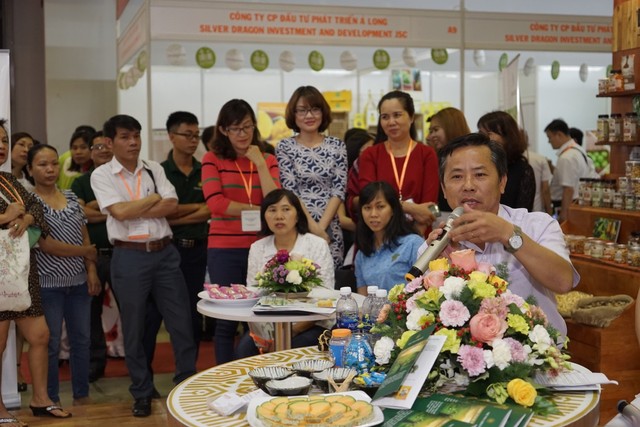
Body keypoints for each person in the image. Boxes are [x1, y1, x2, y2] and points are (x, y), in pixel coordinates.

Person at [90, 114, 197, 417]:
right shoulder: (102, 175)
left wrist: (137, 206)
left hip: (165, 253)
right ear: (110, 142)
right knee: (134, 328)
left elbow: (171, 204)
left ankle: (186, 384)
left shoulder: (154, 168)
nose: (133, 142)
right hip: (129, 256)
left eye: (136, 135)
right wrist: (151, 200)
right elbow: (119, 213)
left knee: (181, 323)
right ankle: (141, 391)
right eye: (125, 136)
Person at [427, 132, 578, 335]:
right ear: (444, 190)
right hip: (468, 361)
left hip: (540, 358)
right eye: (456, 177)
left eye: (480, 174)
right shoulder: (437, 244)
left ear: (502, 182)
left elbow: (563, 281)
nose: (468, 185)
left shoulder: (537, 225)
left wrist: (507, 233)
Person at [0, 120, 72, 424]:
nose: (2, 146)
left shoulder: (8, 180)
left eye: (4, 140)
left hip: (22, 272)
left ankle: (41, 399)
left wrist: (27, 216)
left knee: (40, 335)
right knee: (0, 344)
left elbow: (38, 210)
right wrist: (5, 215)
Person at [202, 99, 279, 364]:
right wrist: (260, 210)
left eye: (247, 127)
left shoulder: (267, 158)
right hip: (225, 248)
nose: (243, 134)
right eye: (235, 129)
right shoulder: (212, 159)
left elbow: (275, 200)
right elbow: (216, 203)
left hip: (263, 246)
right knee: (226, 320)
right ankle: (224, 374)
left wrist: (258, 163)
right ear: (223, 130)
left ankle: (257, 374)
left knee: (259, 317)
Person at [28, 144, 101, 408]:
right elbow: (47, 245)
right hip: (48, 285)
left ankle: (82, 395)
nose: (50, 169)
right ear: (30, 169)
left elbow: (84, 234)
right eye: (42, 164)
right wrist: (87, 252)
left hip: (79, 282)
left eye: (53, 164)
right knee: (49, 344)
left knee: (82, 341)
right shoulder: (30, 203)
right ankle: (51, 398)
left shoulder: (71, 197)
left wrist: (90, 269)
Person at [144, 111, 210, 368]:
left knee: (192, 316)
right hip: (166, 251)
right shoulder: (158, 172)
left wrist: (174, 212)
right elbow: (161, 215)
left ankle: (187, 373)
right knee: (152, 316)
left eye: (197, 135)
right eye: (187, 135)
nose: (193, 140)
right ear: (171, 136)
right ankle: (146, 380)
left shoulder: (204, 170)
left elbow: (210, 209)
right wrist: (192, 211)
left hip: (197, 252)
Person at [236, 189, 334, 357]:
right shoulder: (257, 248)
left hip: (312, 324)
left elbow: (325, 295)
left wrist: (291, 331)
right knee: (244, 349)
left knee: (286, 350)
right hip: (268, 327)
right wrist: (266, 336)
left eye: (286, 209)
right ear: (264, 216)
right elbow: (253, 295)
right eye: (272, 210)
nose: (279, 216)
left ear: (297, 215)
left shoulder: (317, 245)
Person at [276, 85, 348, 268]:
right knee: (295, 279)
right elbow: (290, 191)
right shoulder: (284, 147)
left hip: (330, 228)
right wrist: (313, 229)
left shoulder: (337, 145)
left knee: (328, 284)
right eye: (302, 110)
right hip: (296, 225)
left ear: (323, 112)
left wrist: (321, 229)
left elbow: (338, 190)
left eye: (315, 109)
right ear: (293, 114)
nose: (309, 116)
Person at [358, 91, 439, 235]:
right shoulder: (370, 155)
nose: (391, 122)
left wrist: (413, 240)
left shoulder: (427, 154)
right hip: (379, 236)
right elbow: (369, 199)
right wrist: (412, 208)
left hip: (419, 237)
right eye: (385, 117)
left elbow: (430, 208)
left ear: (412, 117)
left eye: (397, 115)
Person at [70, 131, 114, 383]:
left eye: (106, 145)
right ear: (90, 151)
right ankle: (95, 363)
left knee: (133, 313)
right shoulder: (80, 182)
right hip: (93, 256)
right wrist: (114, 209)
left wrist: (94, 206)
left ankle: (137, 364)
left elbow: (89, 210)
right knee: (90, 313)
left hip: (122, 253)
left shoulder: (124, 180)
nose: (102, 150)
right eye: (96, 146)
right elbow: (80, 215)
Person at [354, 181, 424, 294]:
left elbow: (427, 289)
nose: (373, 214)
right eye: (367, 208)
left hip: (407, 310)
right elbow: (363, 299)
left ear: (393, 209)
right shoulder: (362, 255)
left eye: (380, 207)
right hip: (373, 311)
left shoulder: (413, 244)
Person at [477, 111, 536, 211]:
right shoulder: (480, 165)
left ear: (507, 137)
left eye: (489, 134)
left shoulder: (522, 170)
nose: (483, 139)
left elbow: (523, 210)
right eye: (480, 134)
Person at [545, 119, 598, 222]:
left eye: (549, 137)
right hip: (577, 203)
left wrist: (564, 216)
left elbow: (568, 189)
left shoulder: (566, 157)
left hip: (565, 205)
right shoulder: (578, 150)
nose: (549, 141)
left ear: (559, 135)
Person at [426, 107, 471, 213]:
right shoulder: (436, 158)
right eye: (430, 131)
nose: (430, 136)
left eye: (435, 130)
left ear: (451, 127)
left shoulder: (471, 157)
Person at [523, 130, 553, 214]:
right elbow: (545, 189)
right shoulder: (540, 159)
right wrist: (549, 212)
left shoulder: (507, 160)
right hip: (536, 210)